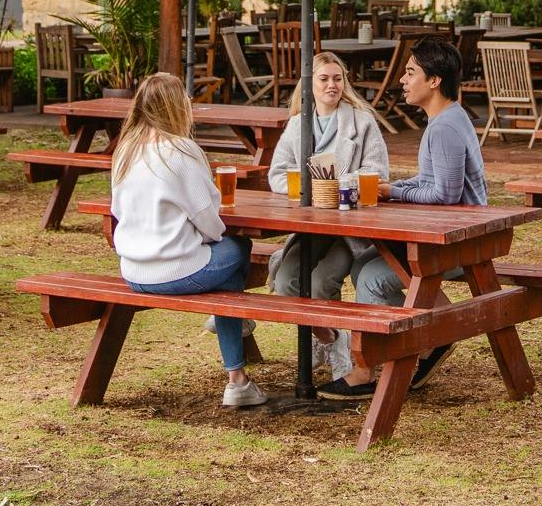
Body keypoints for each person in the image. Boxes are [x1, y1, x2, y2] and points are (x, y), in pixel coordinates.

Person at [319, 35, 481, 399]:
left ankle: (368, 370)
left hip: (458, 242)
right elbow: (430, 182)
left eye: (410, 73)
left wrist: (392, 191)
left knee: (374, 278)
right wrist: (393, 187)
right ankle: (429, 339)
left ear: (434, 80)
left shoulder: (444, 128)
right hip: (450, 235)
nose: (403, 81)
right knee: (363, 267)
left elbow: (445, 196)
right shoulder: (447, 119)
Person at [109, 72, 264, 409]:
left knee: (227, 269)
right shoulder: (180, 150)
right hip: (175, 270)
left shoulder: (125, 152)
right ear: (177, 106)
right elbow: (210, 219)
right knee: (239, 249)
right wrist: (208, 238)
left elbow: (118, 210)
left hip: (133, 272)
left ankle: (234, 330)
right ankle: (235, 372)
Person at [267, 52, 391, 380]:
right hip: (310, 225)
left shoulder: (362, 122)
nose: (332, 85)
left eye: (337, 78)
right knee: (286, 283)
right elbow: (277, 174)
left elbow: (377, 173)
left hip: (348, 230)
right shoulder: (297, 124)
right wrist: (309, 191)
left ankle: (337, 347)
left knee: (321, 284)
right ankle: (331, 338)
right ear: (310, 86)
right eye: (324, 79)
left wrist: (342, 188)